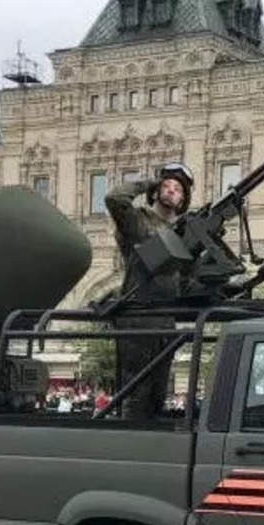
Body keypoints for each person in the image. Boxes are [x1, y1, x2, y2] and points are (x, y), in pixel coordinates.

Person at [104, 163, 194, 420]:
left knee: (158, 393)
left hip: (165, 318)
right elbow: (114, 198)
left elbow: (185, 279)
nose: (171, 191)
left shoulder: (182, 232)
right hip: (138, 314)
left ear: (184, 200)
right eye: (166, 186)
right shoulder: (139, 220)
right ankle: (132, 445)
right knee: (136, 391)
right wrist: (148, 183)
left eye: (178, 189)